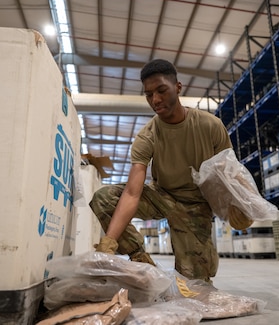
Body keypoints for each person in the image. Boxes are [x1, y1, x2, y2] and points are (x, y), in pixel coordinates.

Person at [89, 59, 232, 282]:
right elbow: (132, 192)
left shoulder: (210, 126)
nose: (155, 100)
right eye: (148, 95)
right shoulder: (147, 136)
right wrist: (109, 242)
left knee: (195, 284)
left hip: (196, 205)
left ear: (177, 87)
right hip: (162, 196)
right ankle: (139, 257)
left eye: (161, 90)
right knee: (104, 198)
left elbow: (229, 172)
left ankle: (195, 269)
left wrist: (238, 206)